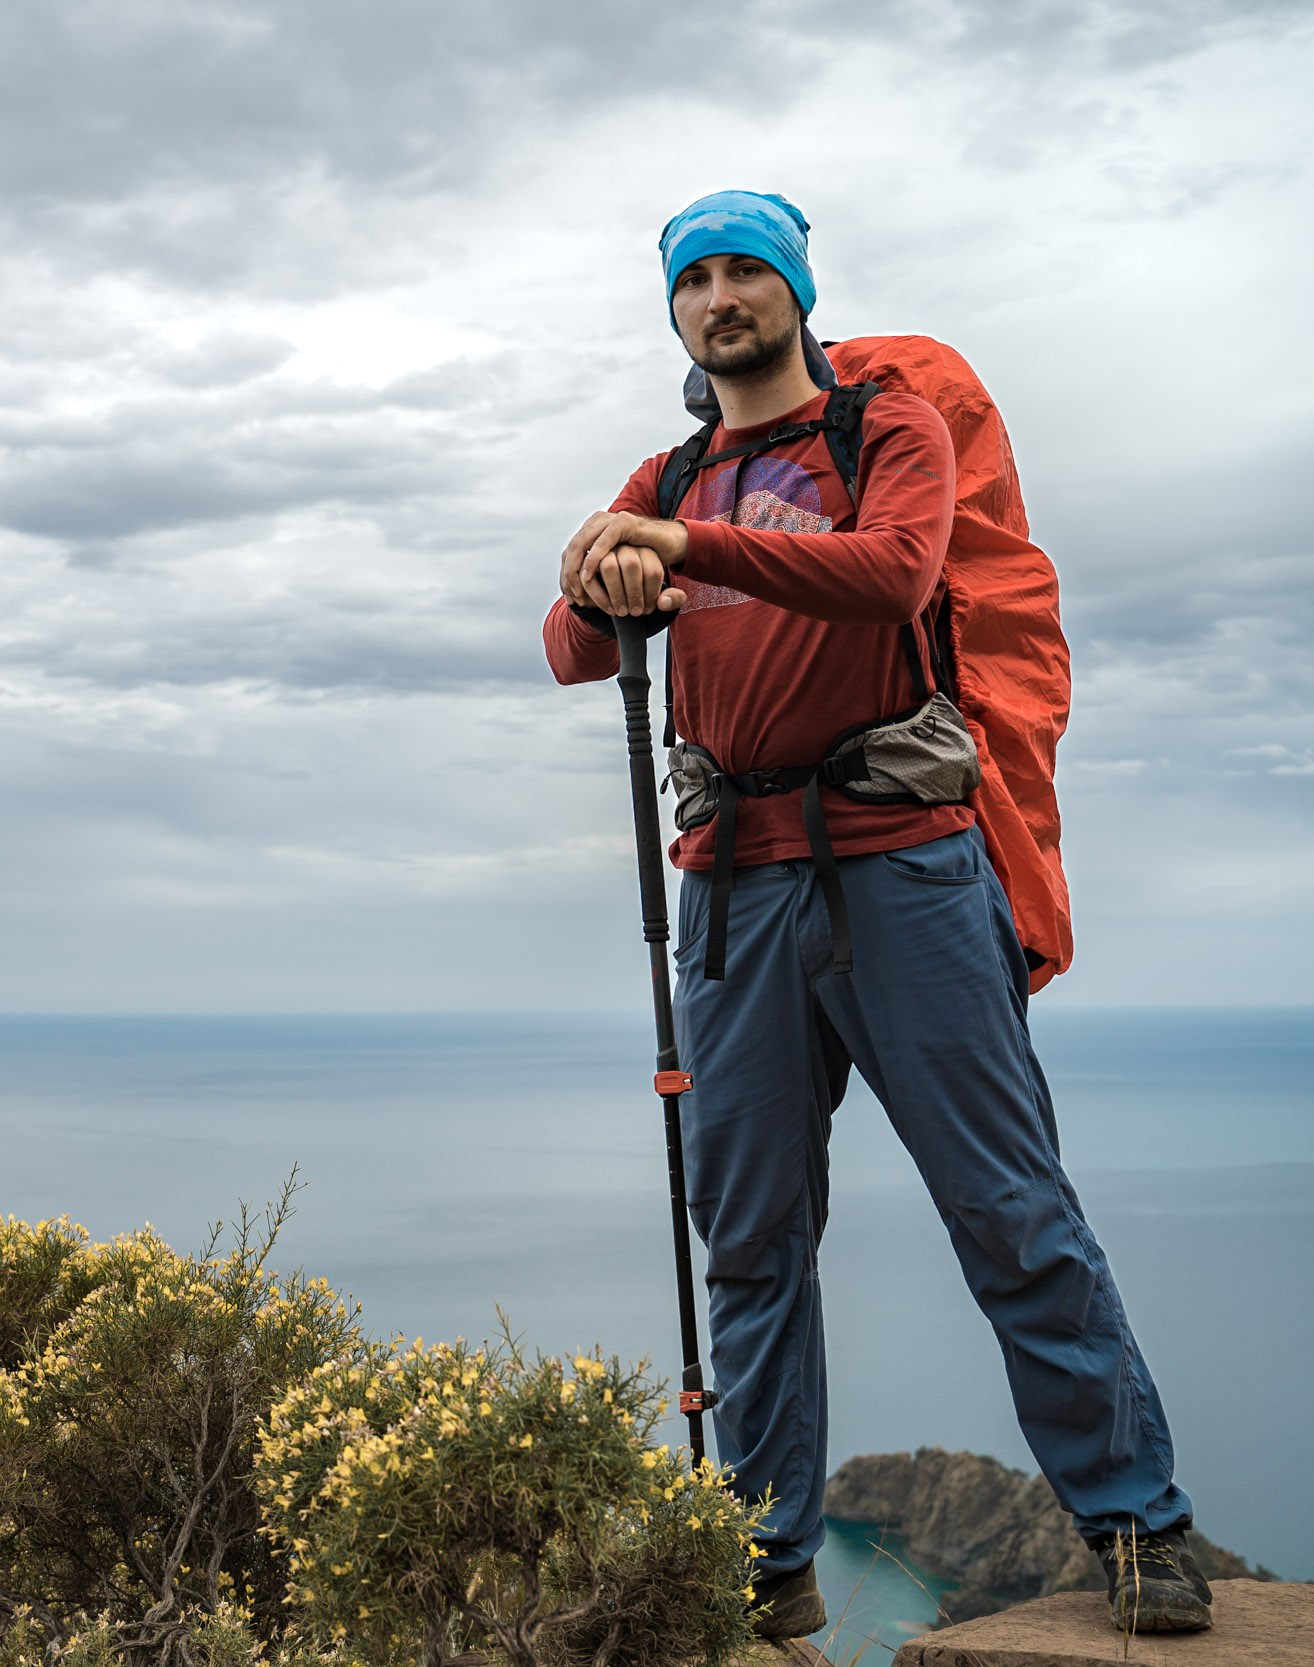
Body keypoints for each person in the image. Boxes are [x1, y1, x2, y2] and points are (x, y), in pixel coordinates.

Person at [542, 190, 1209, 1639]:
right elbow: (569, 654)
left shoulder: (883, 431)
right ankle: (774, 1551)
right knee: (752, 1235)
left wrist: (681, 547)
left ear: (795, 292)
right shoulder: (667, 469)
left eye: (747, 273)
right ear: (674, 310)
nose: (723, 298)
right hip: (735, 890)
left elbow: (899, 572)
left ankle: (1140, 1527)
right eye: (697, 278)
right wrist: (598, 576)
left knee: (1009, 1210)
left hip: (903, 868)